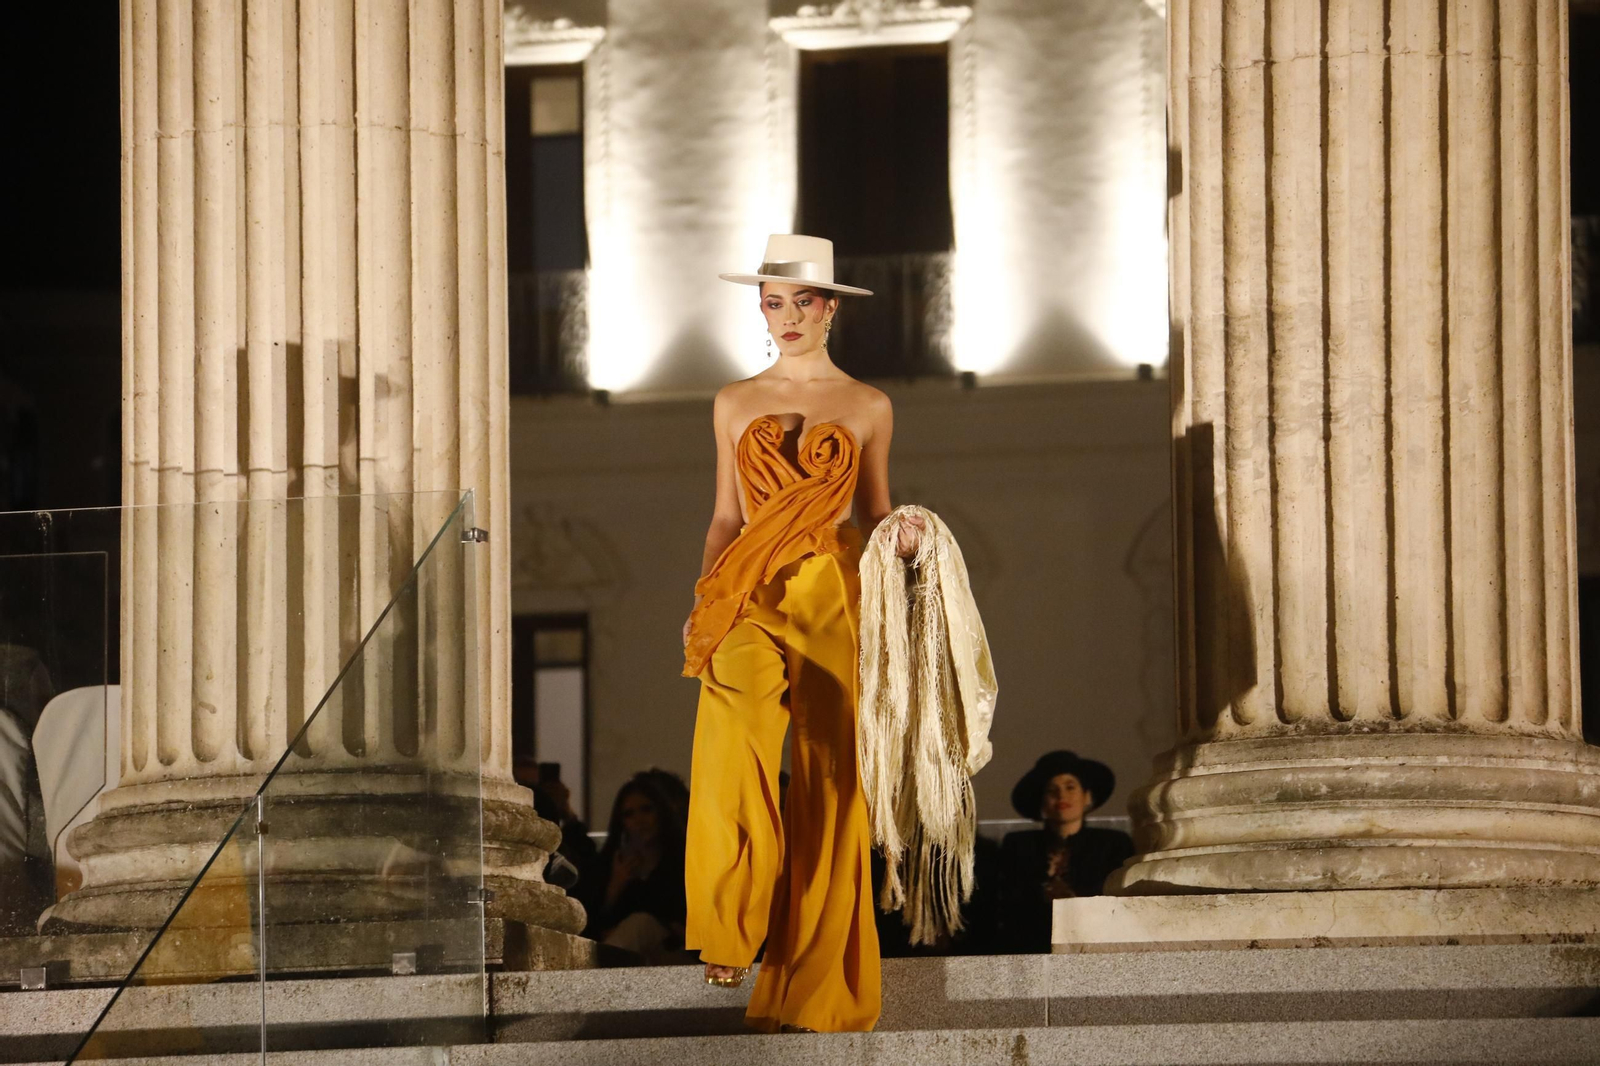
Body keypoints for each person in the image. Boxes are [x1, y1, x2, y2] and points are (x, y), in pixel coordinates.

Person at [680, 234, 922, 1034]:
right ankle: (730, 923)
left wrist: (910, 547)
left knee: (830, 776)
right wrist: (706, 600)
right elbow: (724, 515)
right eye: (772, 302)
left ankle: (816, 971)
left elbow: (878, 512)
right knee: (733, 733)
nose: (784, 316)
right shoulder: (732, 400)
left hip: (833, 593)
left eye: (800, 302)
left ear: (830, 309)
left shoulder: (870, 406)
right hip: (747, 587)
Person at [996, 750, 1135, 953]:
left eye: (1070, 787)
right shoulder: (1018, 845)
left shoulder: (1113, 844)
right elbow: (1007, 905)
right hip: (1031, 949)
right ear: (1042, 802)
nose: (1061, 795)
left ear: (1087, 797)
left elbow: (1121, 903)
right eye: (1052, 790)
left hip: (1097, 946)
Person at [576, 770, 689, 962]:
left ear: (661, 812)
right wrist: (615, 886)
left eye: (647, 809)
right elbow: (593, 923)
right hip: (630, 960)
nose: (639, 820)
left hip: (675, 955)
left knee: (640, 924)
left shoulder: (682, 859)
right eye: (629, 814)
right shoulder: (611, 863)